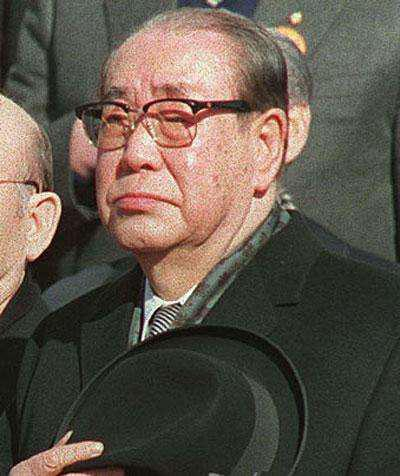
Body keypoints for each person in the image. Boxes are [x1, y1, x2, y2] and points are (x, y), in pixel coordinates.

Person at [8, 8, 400, 474]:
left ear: (266, 144)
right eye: (115, 119)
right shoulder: (57, 338)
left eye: (177, 118)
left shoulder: (381, 329)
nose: (135, 154)